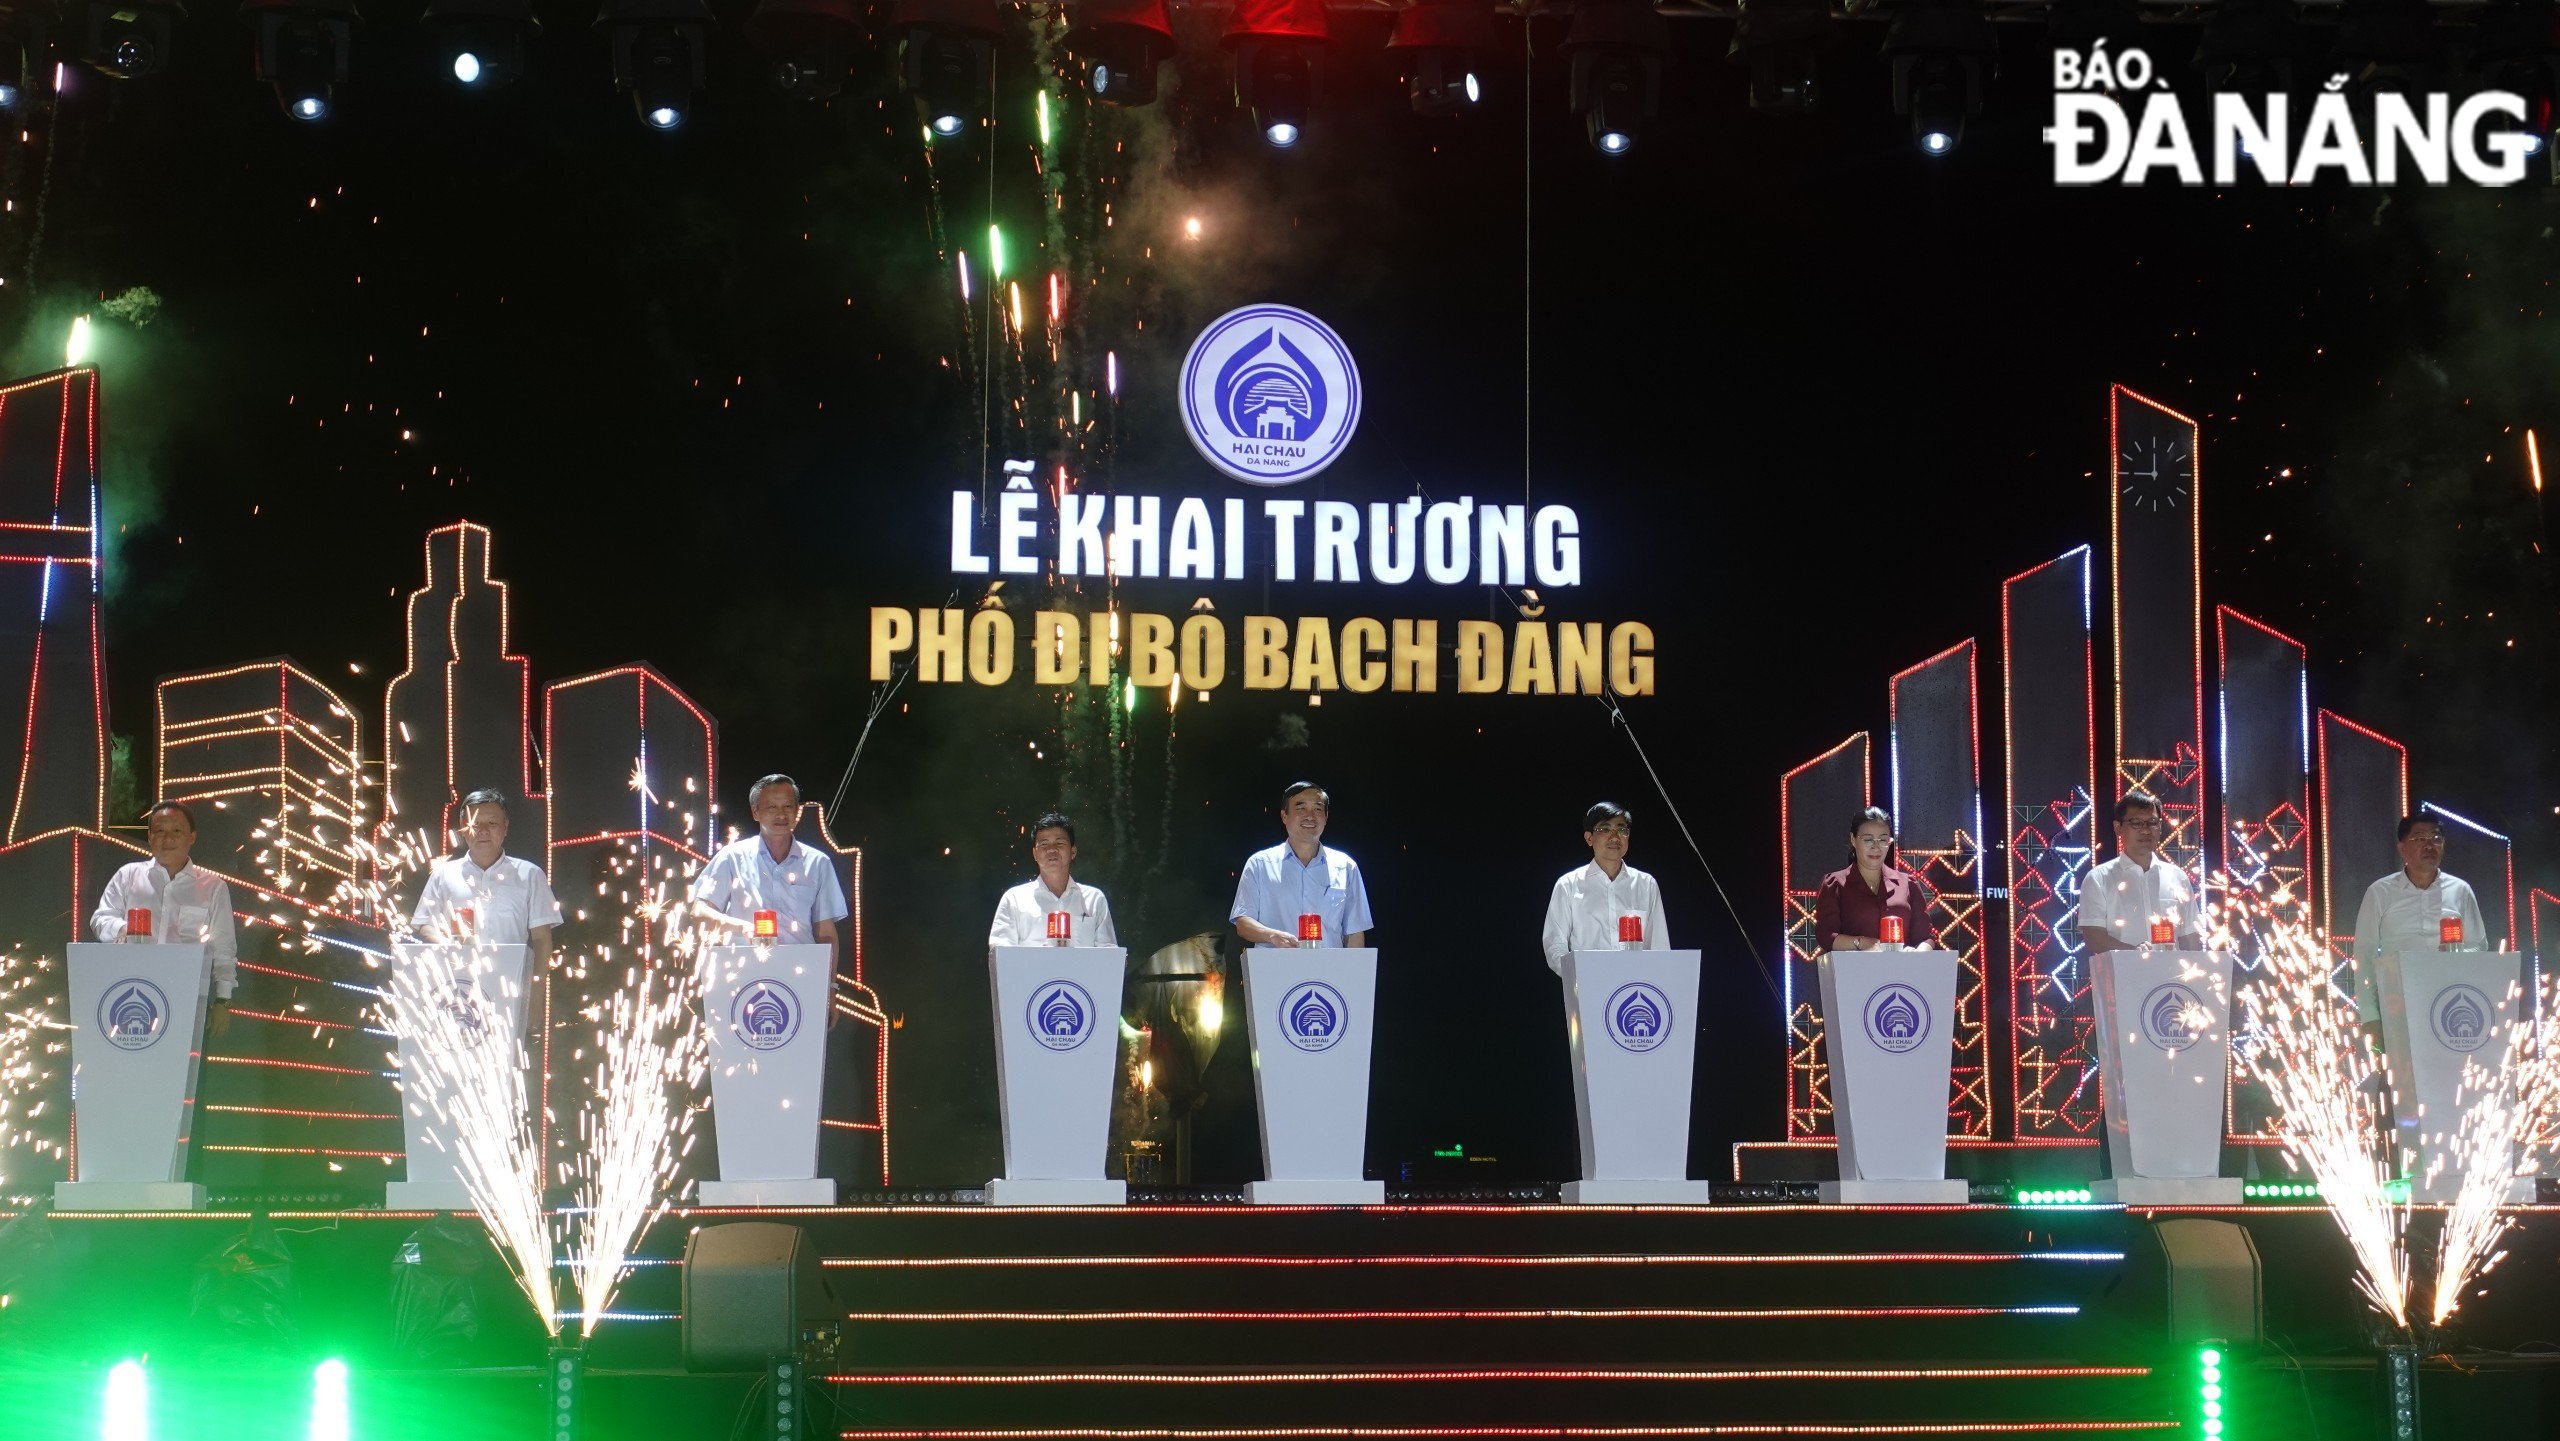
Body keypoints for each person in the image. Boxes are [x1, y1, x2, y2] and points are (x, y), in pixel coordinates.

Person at [690, 773, 850, 1023]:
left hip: (802, 976)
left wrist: (830, 989)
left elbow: (827, 933)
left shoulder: (817, 863)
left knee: (800, 1059)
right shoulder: (732, 857)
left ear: (797, 811)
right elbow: (699, 910)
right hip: (742, 975)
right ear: (755, 812)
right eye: (772, 807)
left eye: (788, 806)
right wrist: (742, 927)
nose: (781, 815)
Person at [410, 788, 563, 1035]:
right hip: (456, 991)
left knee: (506, 1065)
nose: (482, 830)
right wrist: (446, 942)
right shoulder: (444, 875)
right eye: (474, 823)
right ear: (462, 827)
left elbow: (542, 939)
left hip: (510, 990)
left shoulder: (529, 875)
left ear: (505, 827)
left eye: (491, 823)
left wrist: (536, 995)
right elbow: (423, 923)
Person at [91, 801, 240, 1038]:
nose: (167, 838)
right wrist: (125, 930)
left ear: (192, 837)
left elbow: (223, 948)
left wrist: (223, 1000)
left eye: (176, 831)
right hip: (130, 991)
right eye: (159, 831)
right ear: (150, 837)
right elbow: (100, 919)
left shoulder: (212, 888)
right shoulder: (128, 876)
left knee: (184, 1072)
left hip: (188, 997)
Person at [2350, 814, 2488, 1027]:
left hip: (2451, 1000)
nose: (2429, 845)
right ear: (2402, 847)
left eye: (2436, 838)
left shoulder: (2460, 890)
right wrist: (2370, 1015)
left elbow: (2479, 946)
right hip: (2397, 1003)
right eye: (2420, 838)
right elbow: (2364, 955)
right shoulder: (2380, 892)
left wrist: (2454, 954)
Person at [1231, 781, 1372, 948]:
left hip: (1329, 971)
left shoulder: (1346, 867)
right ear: (1284, 816)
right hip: (1274, 969)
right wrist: (1272, 935)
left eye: (1318, 809)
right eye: (1301, 808)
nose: (1310, 816)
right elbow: (1243, 923)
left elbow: (1355, 932)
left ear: (1326, 817)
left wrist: (1354, 973)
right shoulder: (1260, 864)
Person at [1540, 801, 1668, 973]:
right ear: (1589, 838)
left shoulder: (1646, 884)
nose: (1615, 837)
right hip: (1587, 987)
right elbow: (1554, 944)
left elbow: (1659, 946)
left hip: (1636, 988)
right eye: (1605, 829)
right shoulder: (1569, 885)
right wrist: (1578, 976)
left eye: (1622, 830)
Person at [2079, 790, 2201, 953]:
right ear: (2118, 827)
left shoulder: (2177, 877)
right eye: (2136, 823)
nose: (2145, 830)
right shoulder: (2099, 878)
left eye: (2152, 822)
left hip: (2172, 976)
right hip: (2122, 975)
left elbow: (2190, 936)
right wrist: (2135, 954)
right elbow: (2094, 937)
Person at [989, 811, 1119, 949]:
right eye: (1044, 844)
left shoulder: (1094, 899)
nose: (1052, 849)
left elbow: (1108, 954)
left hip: (1080, 971)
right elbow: (1000, 953)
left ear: (1073, 852)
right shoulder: (1015, 899)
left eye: (1060, 843)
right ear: (1034, 853)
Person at [1814, 807, 1937, 952]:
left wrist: (1919, 953)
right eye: (1868, 840)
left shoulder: (1908, 884)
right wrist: (1861, 942)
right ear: (1853, 840)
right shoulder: (1835, 884)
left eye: (1883, 840)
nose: (1876, 847)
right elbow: (1826, 936)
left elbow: (1926, 937)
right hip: (1854, 971)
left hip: (1904, 972)